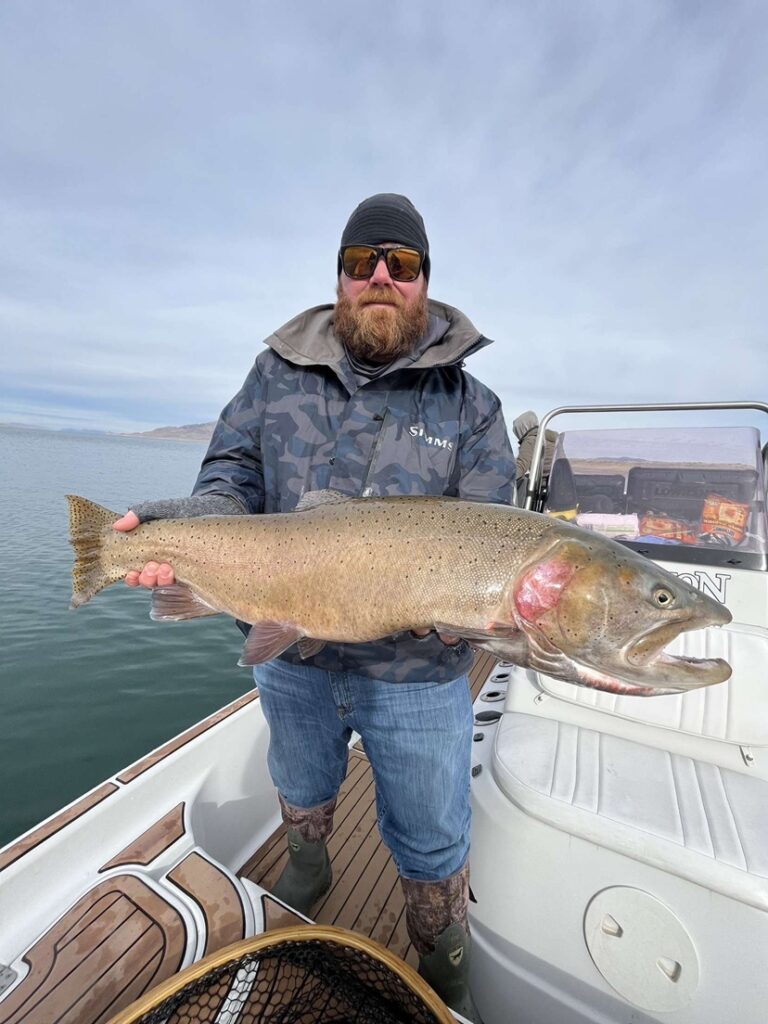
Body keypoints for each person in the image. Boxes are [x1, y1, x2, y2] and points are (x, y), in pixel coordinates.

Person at [114, 193, 515, 1021]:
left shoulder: (472, 408)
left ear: (425, 284)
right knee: (299, 777)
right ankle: (308, 859)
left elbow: (490, 531)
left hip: (418, 672)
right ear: (337, 276)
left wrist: (476, 606)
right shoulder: (273, 375)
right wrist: (183, 536)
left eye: (399, 265)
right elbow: (227, 478)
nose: (379, 276)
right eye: (360, 261)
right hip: (289, 652)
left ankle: (440, 955)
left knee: (432, 830)